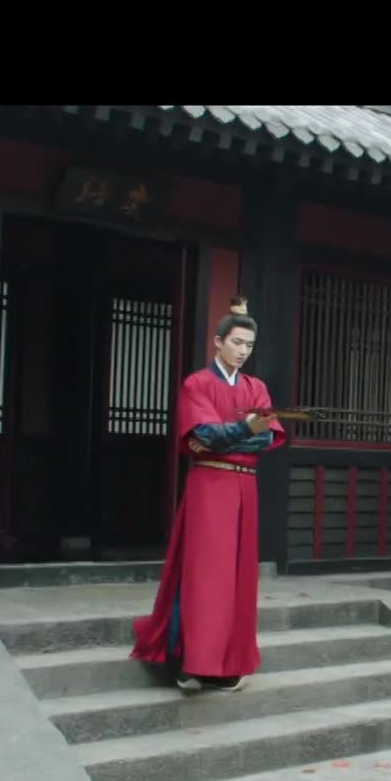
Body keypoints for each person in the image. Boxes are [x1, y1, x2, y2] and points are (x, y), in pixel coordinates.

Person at [131, 297, 286, 693]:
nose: (243, 351)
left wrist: (227, 439)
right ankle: (194, 663)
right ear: (218, 341)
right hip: (210, 488)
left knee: (238, 579)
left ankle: (229, 663)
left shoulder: (256, 387)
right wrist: (242, 431)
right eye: (236, 342)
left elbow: (266, 437)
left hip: (244, 488)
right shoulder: (196, 384)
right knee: (205, 576)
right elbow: (202, 435)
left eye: (249, 345)